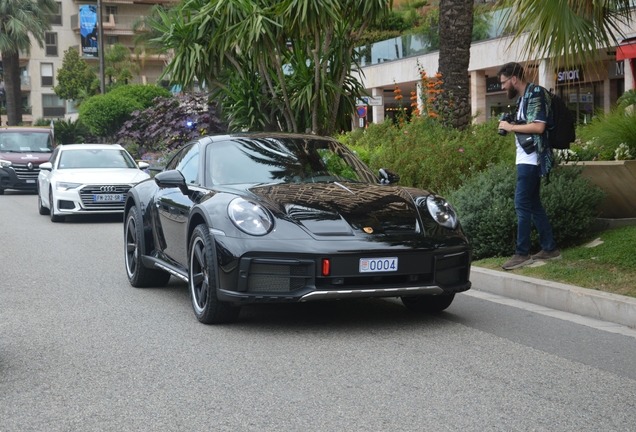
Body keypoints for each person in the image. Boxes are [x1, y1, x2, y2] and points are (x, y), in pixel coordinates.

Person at [497, 62, 561, 270]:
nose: (503, 87)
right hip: (525, 157)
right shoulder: (523, 98)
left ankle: (521, 253)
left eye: (504, 82)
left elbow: (539, 127)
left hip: (532, 159)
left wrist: (511, 126)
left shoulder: (536, 94)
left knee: (521, 203)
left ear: (513, 79)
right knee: (533, 204)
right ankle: (550, 248)